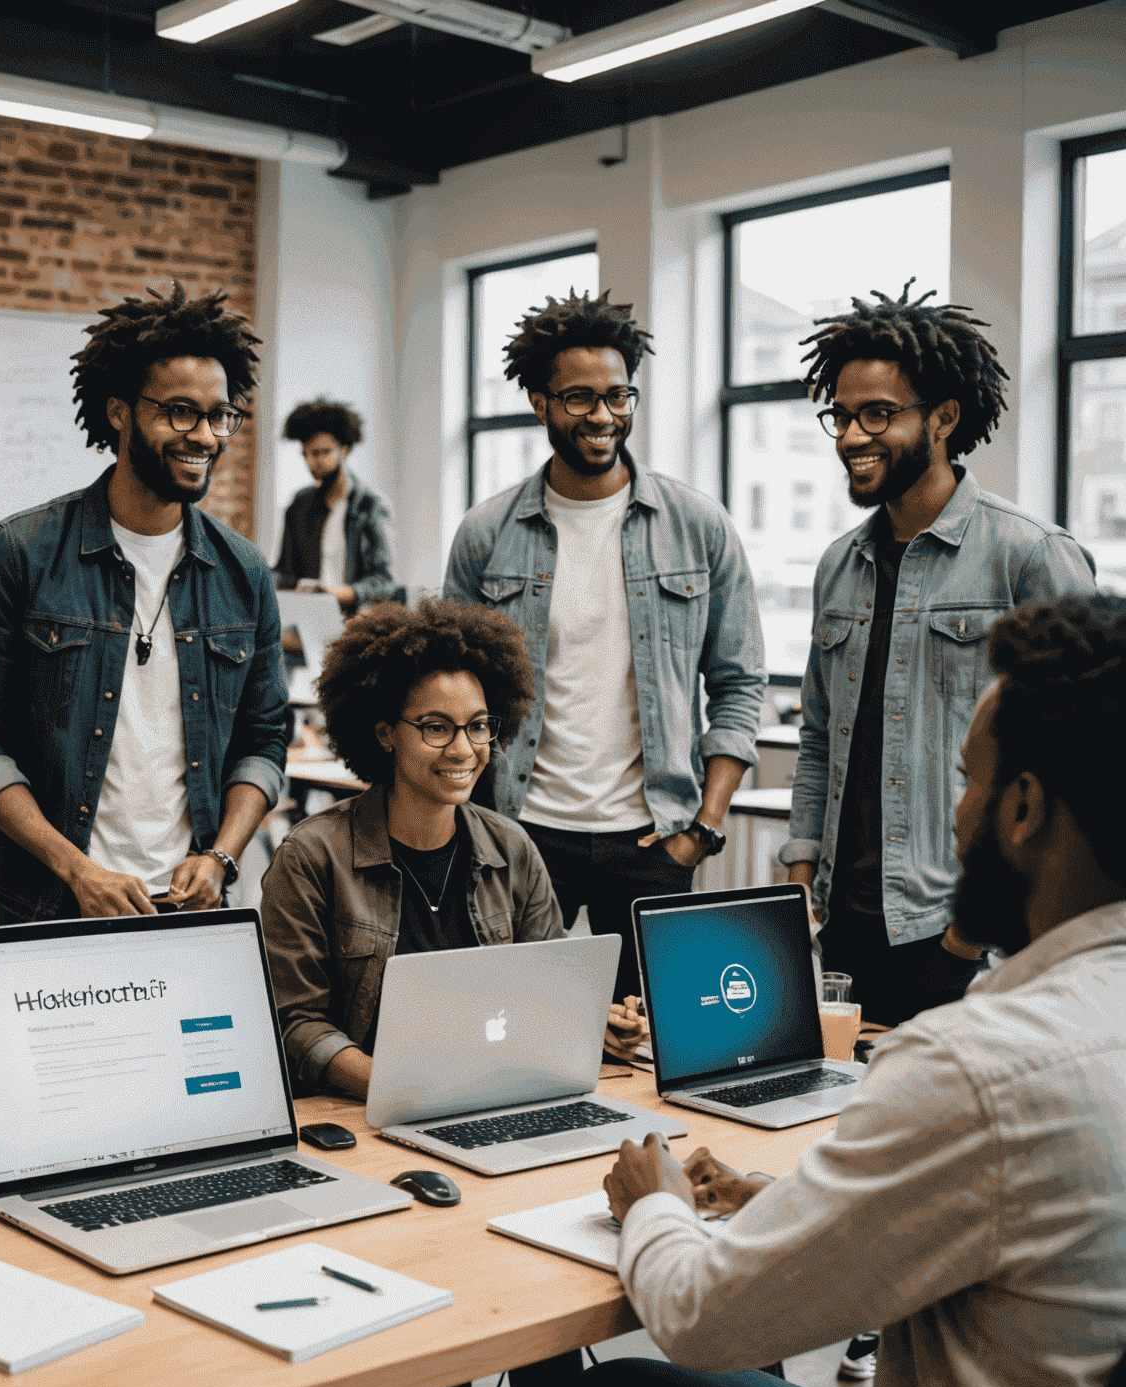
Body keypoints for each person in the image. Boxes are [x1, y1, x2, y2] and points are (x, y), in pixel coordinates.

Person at [536, 593, 1126, 1387]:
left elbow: (700, 1318)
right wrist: (777, 1197)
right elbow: (1009, 1229)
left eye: (966, 781)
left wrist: (655, 1200)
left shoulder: (980, 1065)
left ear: (1023, 810)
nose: (955, 811)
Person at [146, 599, 583, 1387]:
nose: (461, 747)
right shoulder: (313, 858)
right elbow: (293, 1022)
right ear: (382, 730)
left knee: (544, 1287)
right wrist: (389, 1080)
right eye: (435, 726)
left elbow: (548, 992)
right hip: (355, 1141)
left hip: (480, 1126)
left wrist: (592, 1032)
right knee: (395, 1281)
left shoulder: (512, 852)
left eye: (477, 727)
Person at [782, 280, 1095, 1030]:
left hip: (962, 930)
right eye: (843, 415)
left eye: (879, 414)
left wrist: (972, 931)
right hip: (846, 925)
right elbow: (821, 735)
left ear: (945, 417)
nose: (853, 436)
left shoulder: (1030, 556)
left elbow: (1084, 757)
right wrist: (799, 873)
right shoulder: (838, 564)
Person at [443, 290, 765, 1014]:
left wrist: (704, 827)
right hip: (522, 833)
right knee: (518, 1028)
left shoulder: (698, 527)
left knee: (654, 1043)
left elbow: (741, 683)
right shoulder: (486, 534)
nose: (602, 416)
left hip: (654, 840)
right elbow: (452, 693)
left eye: (618, 395)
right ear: (539, 401)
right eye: (580, 397)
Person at [0, 280, 287, 923]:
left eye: (219, 415)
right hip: (48, 902)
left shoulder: (243, 574)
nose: (205, 436)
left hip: (189, 909)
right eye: (180, 411)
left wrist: (222, 859)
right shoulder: (22, 552)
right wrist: (76, 868)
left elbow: (264, 741)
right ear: (119, 410)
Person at [274, 397, 397, 611]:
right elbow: (285, 572)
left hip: (355, 620)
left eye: (323, 452)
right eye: (307, 454)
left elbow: (383, 582)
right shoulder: (299, 504)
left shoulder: (370, 506)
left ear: (345, 450)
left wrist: (334, 594)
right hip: (306, 616)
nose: (313, 463)